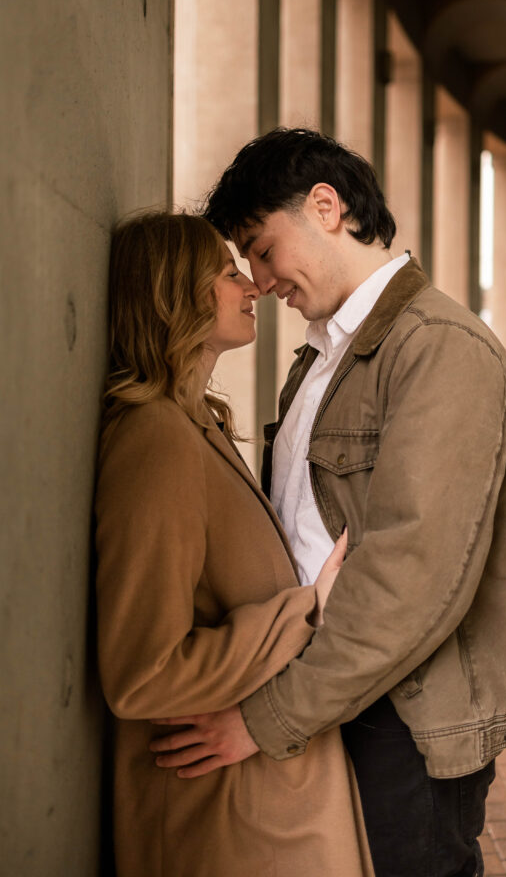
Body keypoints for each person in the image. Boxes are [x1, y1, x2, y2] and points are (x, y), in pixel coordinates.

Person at [150, 129, 506, 877]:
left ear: (325, 206)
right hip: (330, 697)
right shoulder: (322, 355)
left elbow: (409, 581)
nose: (257, 279)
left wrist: (266, 720)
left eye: (261, 248)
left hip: (399, 721)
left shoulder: (438, 349)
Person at [94, 211, 373, 877]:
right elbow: (144, 675)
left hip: (258, 798)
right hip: (223, 818)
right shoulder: (155, 441)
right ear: (173, 294)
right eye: (225, 272)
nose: (251, 284)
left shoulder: (196, 426)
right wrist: (306, 610)